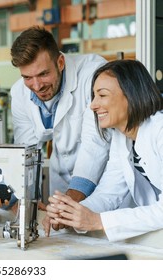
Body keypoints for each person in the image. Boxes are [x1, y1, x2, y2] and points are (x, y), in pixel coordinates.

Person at [45, 59, 163, 241]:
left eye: (102, 95)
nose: (92, 105)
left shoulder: (159, 132)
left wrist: (99, 221)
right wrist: (72, 213)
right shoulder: (122, 137)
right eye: (93, 96)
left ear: (131, 95)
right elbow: (109, 192)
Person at [10, 26, 111, 211]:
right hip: (61, 191)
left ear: (61, 62)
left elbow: (95, 142)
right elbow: (26, 152)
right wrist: (25, 199)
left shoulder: (94, 74)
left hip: (102, 189)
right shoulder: (19, 92)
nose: (37, 85)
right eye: (27, 77)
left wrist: (71, 199)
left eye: (43, 74)